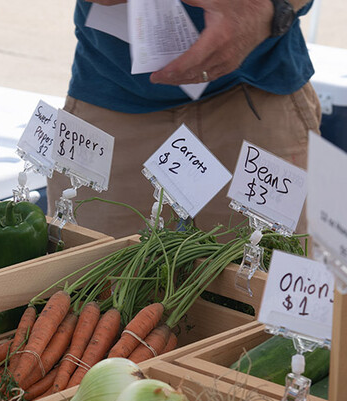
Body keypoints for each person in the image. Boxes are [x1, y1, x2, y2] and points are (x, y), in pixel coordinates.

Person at [47, 0, 321, 238]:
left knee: (263, 283)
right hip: (112, 95)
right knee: (93, 287)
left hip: (255, 93)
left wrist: (267, 8)